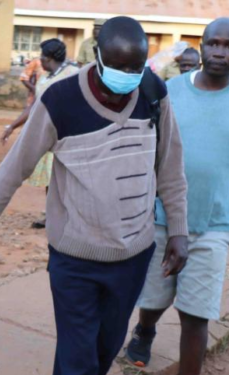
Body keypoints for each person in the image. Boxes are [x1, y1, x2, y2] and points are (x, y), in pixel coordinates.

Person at [0, 17, 189, 375]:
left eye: (136, 67)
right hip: (75, 258)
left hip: (133, 256)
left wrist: (178, 229)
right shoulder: (61, 100)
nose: (128, 75)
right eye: (118, 66)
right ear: (97, 56)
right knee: (78, 359)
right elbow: (14, 168)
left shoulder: (153, 93)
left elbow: (170, 168)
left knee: (103, 351)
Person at [126, 18, 229, 375]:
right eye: (213, 43)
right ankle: (146, 328)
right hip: (161, 217)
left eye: (228, 46)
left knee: (195, 314)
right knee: (154, 296)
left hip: (214, 224)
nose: (220, 52)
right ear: (201, 46)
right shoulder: (171, 91)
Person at [1, 39, 79, 229]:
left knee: (69, 179)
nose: (40, 60)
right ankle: (53, 215)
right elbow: (35, 107)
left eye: (42, 56)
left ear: (50, 57)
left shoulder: (73, 75)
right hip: (49, 136)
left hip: (69, 136)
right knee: (52, 179)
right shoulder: (45, 78)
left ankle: (73, 217)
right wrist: (12, 126)